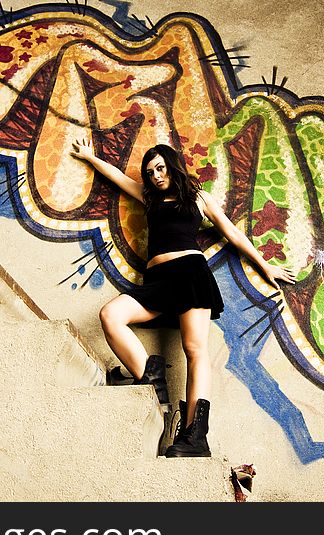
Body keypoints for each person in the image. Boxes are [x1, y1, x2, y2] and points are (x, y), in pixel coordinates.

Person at [70, 140, 296, 457]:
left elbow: (232, 233)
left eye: (161, 168)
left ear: (173, 166)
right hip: (158, 281)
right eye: (150, 172)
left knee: (195, 349)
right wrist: (91, 158)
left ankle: (195, 438)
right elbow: (118, 178)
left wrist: (264, 264)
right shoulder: (149, 199)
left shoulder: (197, 198)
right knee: (111, 315)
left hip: (190, 274)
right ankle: (150, 379)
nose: (156, 176)